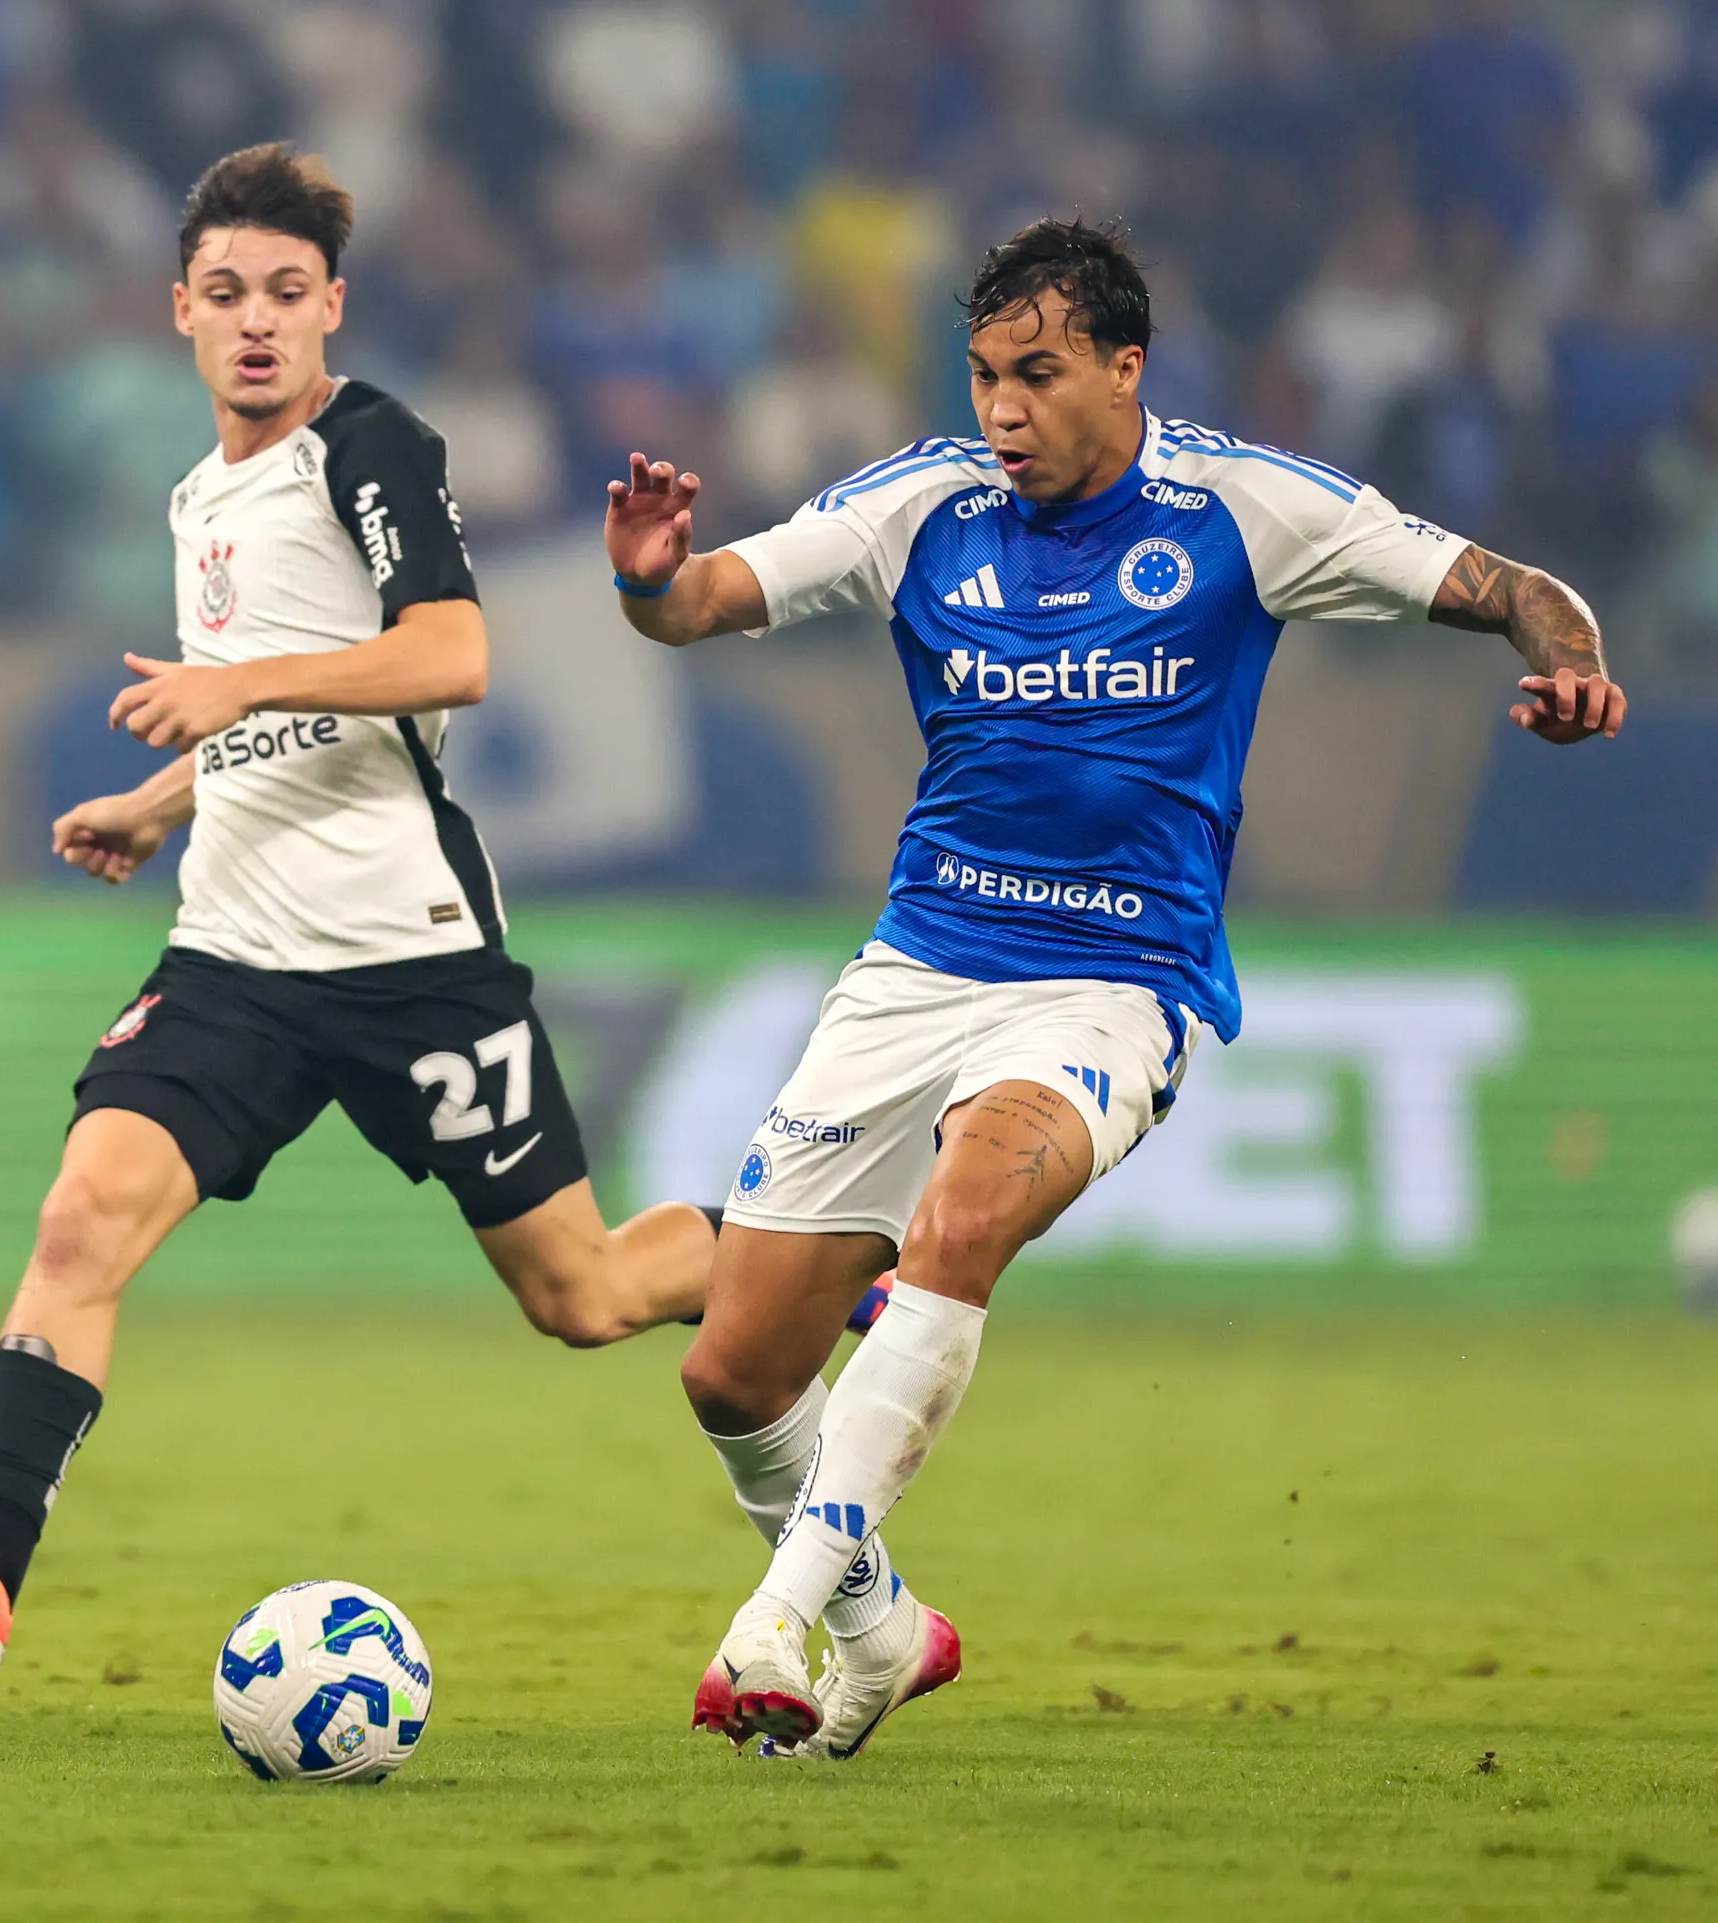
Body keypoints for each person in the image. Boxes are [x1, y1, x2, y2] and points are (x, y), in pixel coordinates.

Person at [603, 217, 1625, 1760]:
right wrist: (647, 582)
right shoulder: (919, 506)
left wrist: (1573, 664)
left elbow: (1512, 586)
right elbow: (699, 602)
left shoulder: (1248, 508)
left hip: (1111, 982)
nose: (1002, 410)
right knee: (734, 1372)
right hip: (916, 967)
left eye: (1038, 375)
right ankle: (884, 1633)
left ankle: (774, 1623)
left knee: (962, 1225)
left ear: (1125, 367)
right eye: (983, 377)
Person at [0, 144, 724, 1687]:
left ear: (333, 308)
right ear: (179, 310)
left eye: (286, 292)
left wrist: (234, 688)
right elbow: (283, 717)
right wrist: (167, 798)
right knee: (80, 1224)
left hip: (410, 957)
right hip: (237, 958)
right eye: (227, 292)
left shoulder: (371, 446)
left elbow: (451, 656)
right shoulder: (200, 494)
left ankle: (817, 1253)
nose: (255, 319)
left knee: (583, 1296)